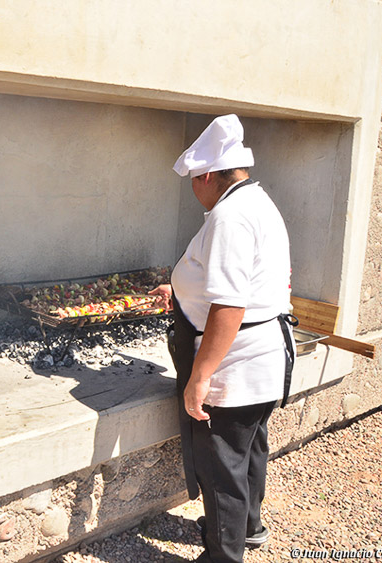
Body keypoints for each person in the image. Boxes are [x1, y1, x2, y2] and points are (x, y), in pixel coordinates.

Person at [149, 114, 295, 563]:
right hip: (264, 356)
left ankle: (223, 555)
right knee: (248, 449)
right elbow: (247, 279)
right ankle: (247, 528)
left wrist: (200, 376)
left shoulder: (229, 217)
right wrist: (180, 290)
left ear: (207, 176)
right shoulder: (257, 201)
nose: (195, 191)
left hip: (236, 364)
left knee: (221, 466)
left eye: (194, 181)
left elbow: (229, 306)